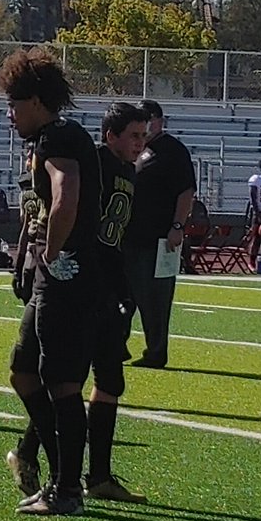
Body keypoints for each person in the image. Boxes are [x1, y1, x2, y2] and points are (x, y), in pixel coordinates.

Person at [0, 49, 100, 516]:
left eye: (15, 104)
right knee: (24, 371)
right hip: (51, 273)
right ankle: (60, 473)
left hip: (67, 274)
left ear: (36, 101)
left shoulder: (58, 139)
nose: (10, 113)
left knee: (60, 382)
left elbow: (67, 192)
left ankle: (68, 490)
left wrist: (53, 251)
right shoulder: (46, 138)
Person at [83, 102, 150, 500]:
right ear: (111, 136)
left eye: (144, 136)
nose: (140, 143)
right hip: (86, 285)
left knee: (109, 379)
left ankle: (100, 476)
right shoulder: (93, 164)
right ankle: (27, 453)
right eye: (134, 136)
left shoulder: (127, 169)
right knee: (69, 380)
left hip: (110, 283)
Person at [119, 98, 196, 370]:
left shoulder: (172, 150)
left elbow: (185, 191)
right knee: (122, 296)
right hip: (129, 235)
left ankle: (156, 351)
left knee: (155, 300)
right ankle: (117, 346)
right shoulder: (136, 150)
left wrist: (177, 226)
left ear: (159, 120)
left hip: (158, 238)